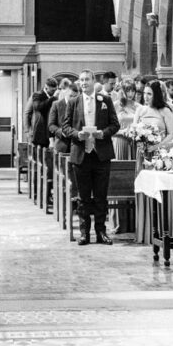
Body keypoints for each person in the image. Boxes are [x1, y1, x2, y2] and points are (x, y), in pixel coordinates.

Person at [63, 68, 121, 245]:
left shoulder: (105, 100)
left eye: (87, 79)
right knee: (83, 197)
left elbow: (115, 125)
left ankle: (101, 232)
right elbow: (65, 126)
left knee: (101, 196)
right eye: (81, 80)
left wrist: (103, 134)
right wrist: (76, 134)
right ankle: (84, 233)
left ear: (93, 81)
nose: (83, 83)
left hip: (101, 154)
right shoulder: (73, 102)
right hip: (81, 154)